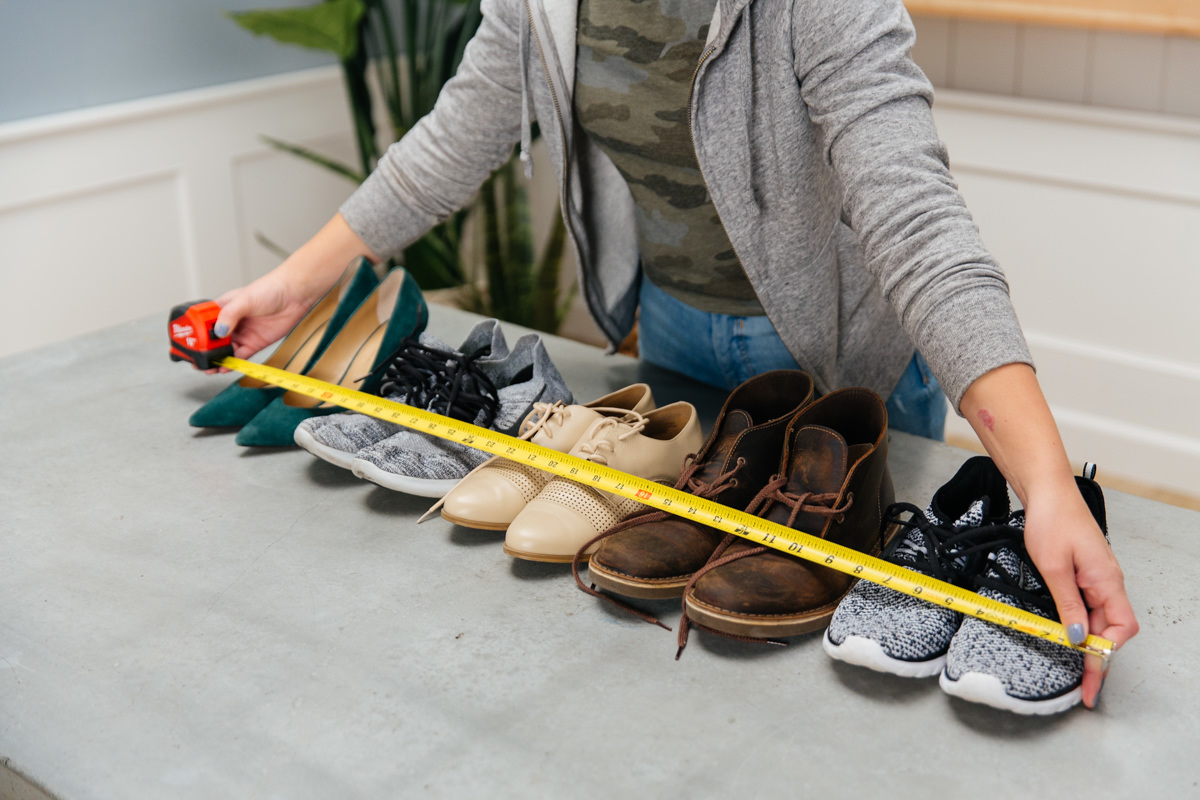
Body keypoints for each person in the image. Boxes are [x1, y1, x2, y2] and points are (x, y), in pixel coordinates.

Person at [210, 0, 1137, 706]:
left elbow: (915, 217)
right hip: (674, 327)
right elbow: (455, 137)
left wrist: (1047, 486)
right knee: (664, 686)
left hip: (846, 355)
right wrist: (295, 287)